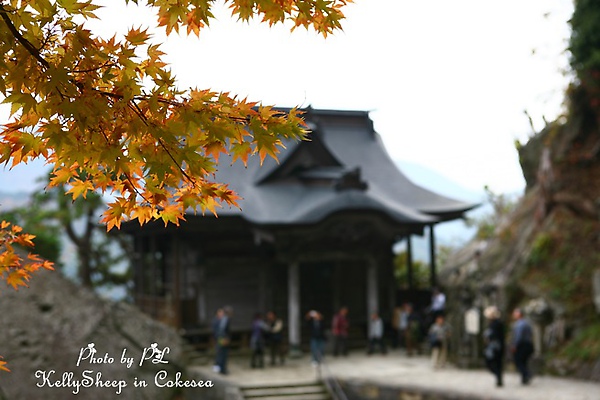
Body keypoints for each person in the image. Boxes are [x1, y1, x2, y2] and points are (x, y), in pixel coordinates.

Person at [483, 306, 506, 387]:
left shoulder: (496, 324)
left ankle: (499, 378)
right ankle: (499, 378)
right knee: (497, 364)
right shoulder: (494, 324)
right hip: (496, 346)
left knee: (494, 362)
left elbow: (494, 335)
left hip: (495, 346)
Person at [511, 308, 534, 385]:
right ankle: (524, 379)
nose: (514, 315)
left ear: (519, 314)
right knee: (524, 362)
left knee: (519, 361)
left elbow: (518, 336)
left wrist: (515, 345)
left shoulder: (519, 324)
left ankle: (527, 374)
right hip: (528, 344)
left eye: (515, 313)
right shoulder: (527, 323)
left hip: (522, 345)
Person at [214, 306, 232, 375]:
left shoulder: (224, 319)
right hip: (223, 339)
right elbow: (222, 329)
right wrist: (225, 338)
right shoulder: (225, 319)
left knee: (222, 353)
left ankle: (222, 368)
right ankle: (222, 369)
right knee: (223, 353)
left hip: (221, 338)